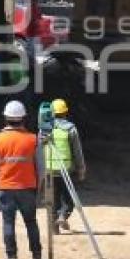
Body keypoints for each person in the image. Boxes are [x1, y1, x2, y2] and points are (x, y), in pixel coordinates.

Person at [0, 100, 45, 259]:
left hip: (5, 188)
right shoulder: (33, 139)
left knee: (8, 222)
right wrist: (39, 187)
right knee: (31, 222)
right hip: (27, 188)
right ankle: (37, 258)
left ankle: (12, 258)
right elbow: (41, 167)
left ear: (6, 118)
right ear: (23, 118)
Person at [44, 99, 86, 233]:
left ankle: (54, 228)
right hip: (66, 169)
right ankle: (63, 215)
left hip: (49, 168)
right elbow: (77, 151)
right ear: (65, 112)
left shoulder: (45, 129)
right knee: (69, 199)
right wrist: (81, 168)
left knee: (53, 199)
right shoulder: (71, 129)